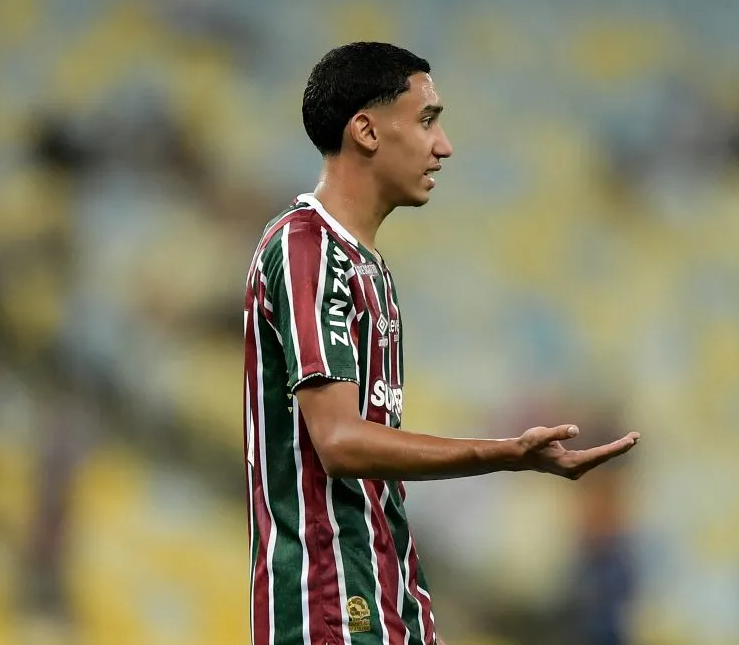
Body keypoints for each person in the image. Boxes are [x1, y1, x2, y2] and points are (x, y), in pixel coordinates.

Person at [241, 41, 640, 645]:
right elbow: (340, 442)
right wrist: (504, 453)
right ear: (366, 131)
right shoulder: (307, 249)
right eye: (426, 120)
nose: (444, 144)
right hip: (327, 606)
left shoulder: (366, 266)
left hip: (385, 599)